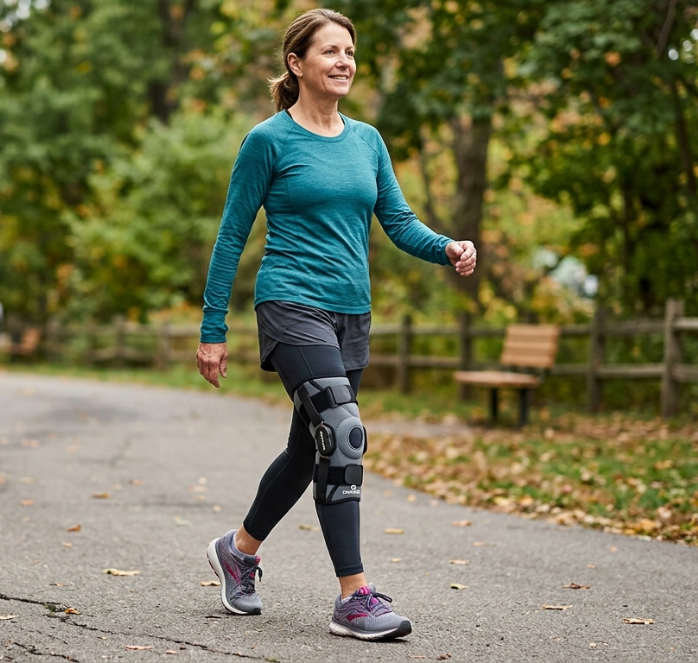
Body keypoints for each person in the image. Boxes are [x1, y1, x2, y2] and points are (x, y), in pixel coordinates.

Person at [196, 9, 477, 642]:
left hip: (352, 313)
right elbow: (231, 237)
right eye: (330, 51)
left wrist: (447, 246)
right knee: (344, 432)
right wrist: (214, 328)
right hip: (291, 304)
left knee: (308, 448)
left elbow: (398, 222)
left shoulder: (367, 140)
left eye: (350, 50)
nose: (344, 61)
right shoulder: (268, 140)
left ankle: (238, 551)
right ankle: (353, 598)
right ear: (297, 64)